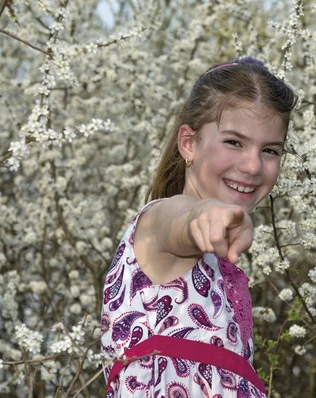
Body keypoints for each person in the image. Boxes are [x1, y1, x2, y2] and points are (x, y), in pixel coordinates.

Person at [100, 57, 297, 397]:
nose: (252, 166)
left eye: (269, 150)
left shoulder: (214, 261)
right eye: (234, 142)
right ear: (189, 143)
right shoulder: (161, 224)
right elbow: (180, 220)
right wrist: (203, 215)